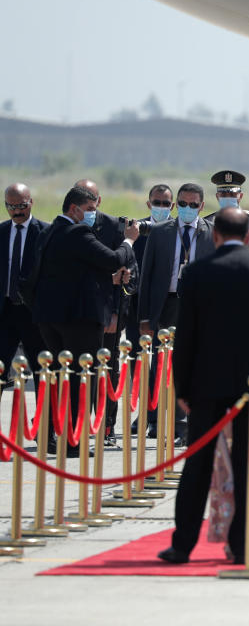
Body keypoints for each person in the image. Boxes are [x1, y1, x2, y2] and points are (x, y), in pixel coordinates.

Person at [159, 207, 249, 564]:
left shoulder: (197, 273)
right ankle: (241, 544)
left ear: (215, 236)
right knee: (248, 465)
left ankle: (182, 545)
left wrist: (183, 388)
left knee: (198, 465)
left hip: (208, 384)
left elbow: (185, 335)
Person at [30, 186, 139, 457]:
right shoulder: (77, 232)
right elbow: (113, 259)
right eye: (89, 209)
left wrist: (107, 281)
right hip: (79, 321)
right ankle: (73, 441)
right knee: (82, 380)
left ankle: (63, 436)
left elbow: (71, 272)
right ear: (73, 209)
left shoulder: (50, 231)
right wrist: (129, 241)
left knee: (62, 377)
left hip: (50, 319)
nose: (93, 214)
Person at [137, 183, 215, 443]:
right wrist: (145, 317)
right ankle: (155, 419)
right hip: (166, 305)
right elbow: (146, 276)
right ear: (176, 204)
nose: (188, 209)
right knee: (161, 365)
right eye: (183, 204)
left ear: (202, 207)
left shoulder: (210, 233)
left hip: (196, 308)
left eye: (194, 205)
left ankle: (183, 424)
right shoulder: (161, 232)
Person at [76, 178, 138, 446]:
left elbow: (129, 275)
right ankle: (77, 425)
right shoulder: (67, 227)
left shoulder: (114, 228)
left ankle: (107, 427)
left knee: (108, 371)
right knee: (79, 372)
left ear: (99, 201)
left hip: (108, 316)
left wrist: (116, 314)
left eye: (91, 199)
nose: (86, 206)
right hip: (76, 315)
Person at [0, 184, 48, 408]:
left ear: (31, 203)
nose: (17, 211)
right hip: (5, 312)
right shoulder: (1, 232)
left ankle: (45, 427)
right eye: (11, 207)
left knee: (42, 370)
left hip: (34, 314)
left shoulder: (45, 234)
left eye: (21, 206)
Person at [126, 184, 175, 349]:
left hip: (168, 308)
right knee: (138, 362)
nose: (161, 207)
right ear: (149, 204)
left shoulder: (179, 232)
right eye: (157, 203)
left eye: (165, 204)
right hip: (138, 308)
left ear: (172, 206)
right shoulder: (135, 230)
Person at [205, 170, 249, 257]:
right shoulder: (207, 223)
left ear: (240, 196)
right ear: (217, 197)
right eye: (224, 194)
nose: (228, 197)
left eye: (232, 194)